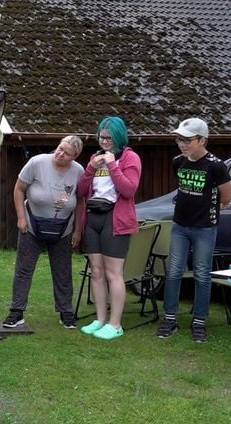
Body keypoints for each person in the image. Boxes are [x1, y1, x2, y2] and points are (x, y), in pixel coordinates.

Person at [156, 118, 231, 343]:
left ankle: (199, 321)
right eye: (179, 139)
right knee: (174, 271)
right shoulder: (178, 162)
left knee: (201, 274)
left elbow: (226, 198)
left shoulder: (216, 166)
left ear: (202, 140)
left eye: (187, 140)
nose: (182, 143)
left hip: (205, 228)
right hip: (180, 226)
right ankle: (170, 318)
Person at [2, 136, 85, 330]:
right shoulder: (37, 162)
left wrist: (78, 230)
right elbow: (19, 189)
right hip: (31, 226)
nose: (60, 154)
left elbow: (80, 202)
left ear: (75, 157)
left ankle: (66, 313)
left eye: (66, 153)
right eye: (59, 148)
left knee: (63, 272)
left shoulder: (79, 172)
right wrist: (21, 218)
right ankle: (16, 311)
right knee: (24, 269)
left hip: (63, 229)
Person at [77, 116, 141, 340]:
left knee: (114, 273)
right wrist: (90, 169)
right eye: (101, 138)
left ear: (119, 137)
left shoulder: (130, 157)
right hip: (94, 216)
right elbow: (82, 190)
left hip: (116, 218)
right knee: (96, 272)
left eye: (108, 138)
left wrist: (112, 164)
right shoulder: (95, 157)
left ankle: (115, 324)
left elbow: (129, 190)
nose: (104, 142)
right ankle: (100, 319)